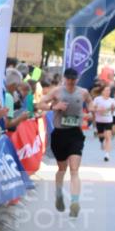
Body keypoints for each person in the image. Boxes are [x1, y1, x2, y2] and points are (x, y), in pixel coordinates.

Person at [39, 67, 92, 217]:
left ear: (77, 79)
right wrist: (54, 107)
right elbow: (40, 104)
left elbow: (90, 103)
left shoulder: (83, 92)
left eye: (73, 79)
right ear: (64, 78)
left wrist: (91, 112)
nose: (70, 82)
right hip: (59, 134)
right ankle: (59, 194)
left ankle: (75, 201)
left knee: (74, 169)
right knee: (62, 169)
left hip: (75, 133)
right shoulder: (56, 91)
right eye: (68, 79)